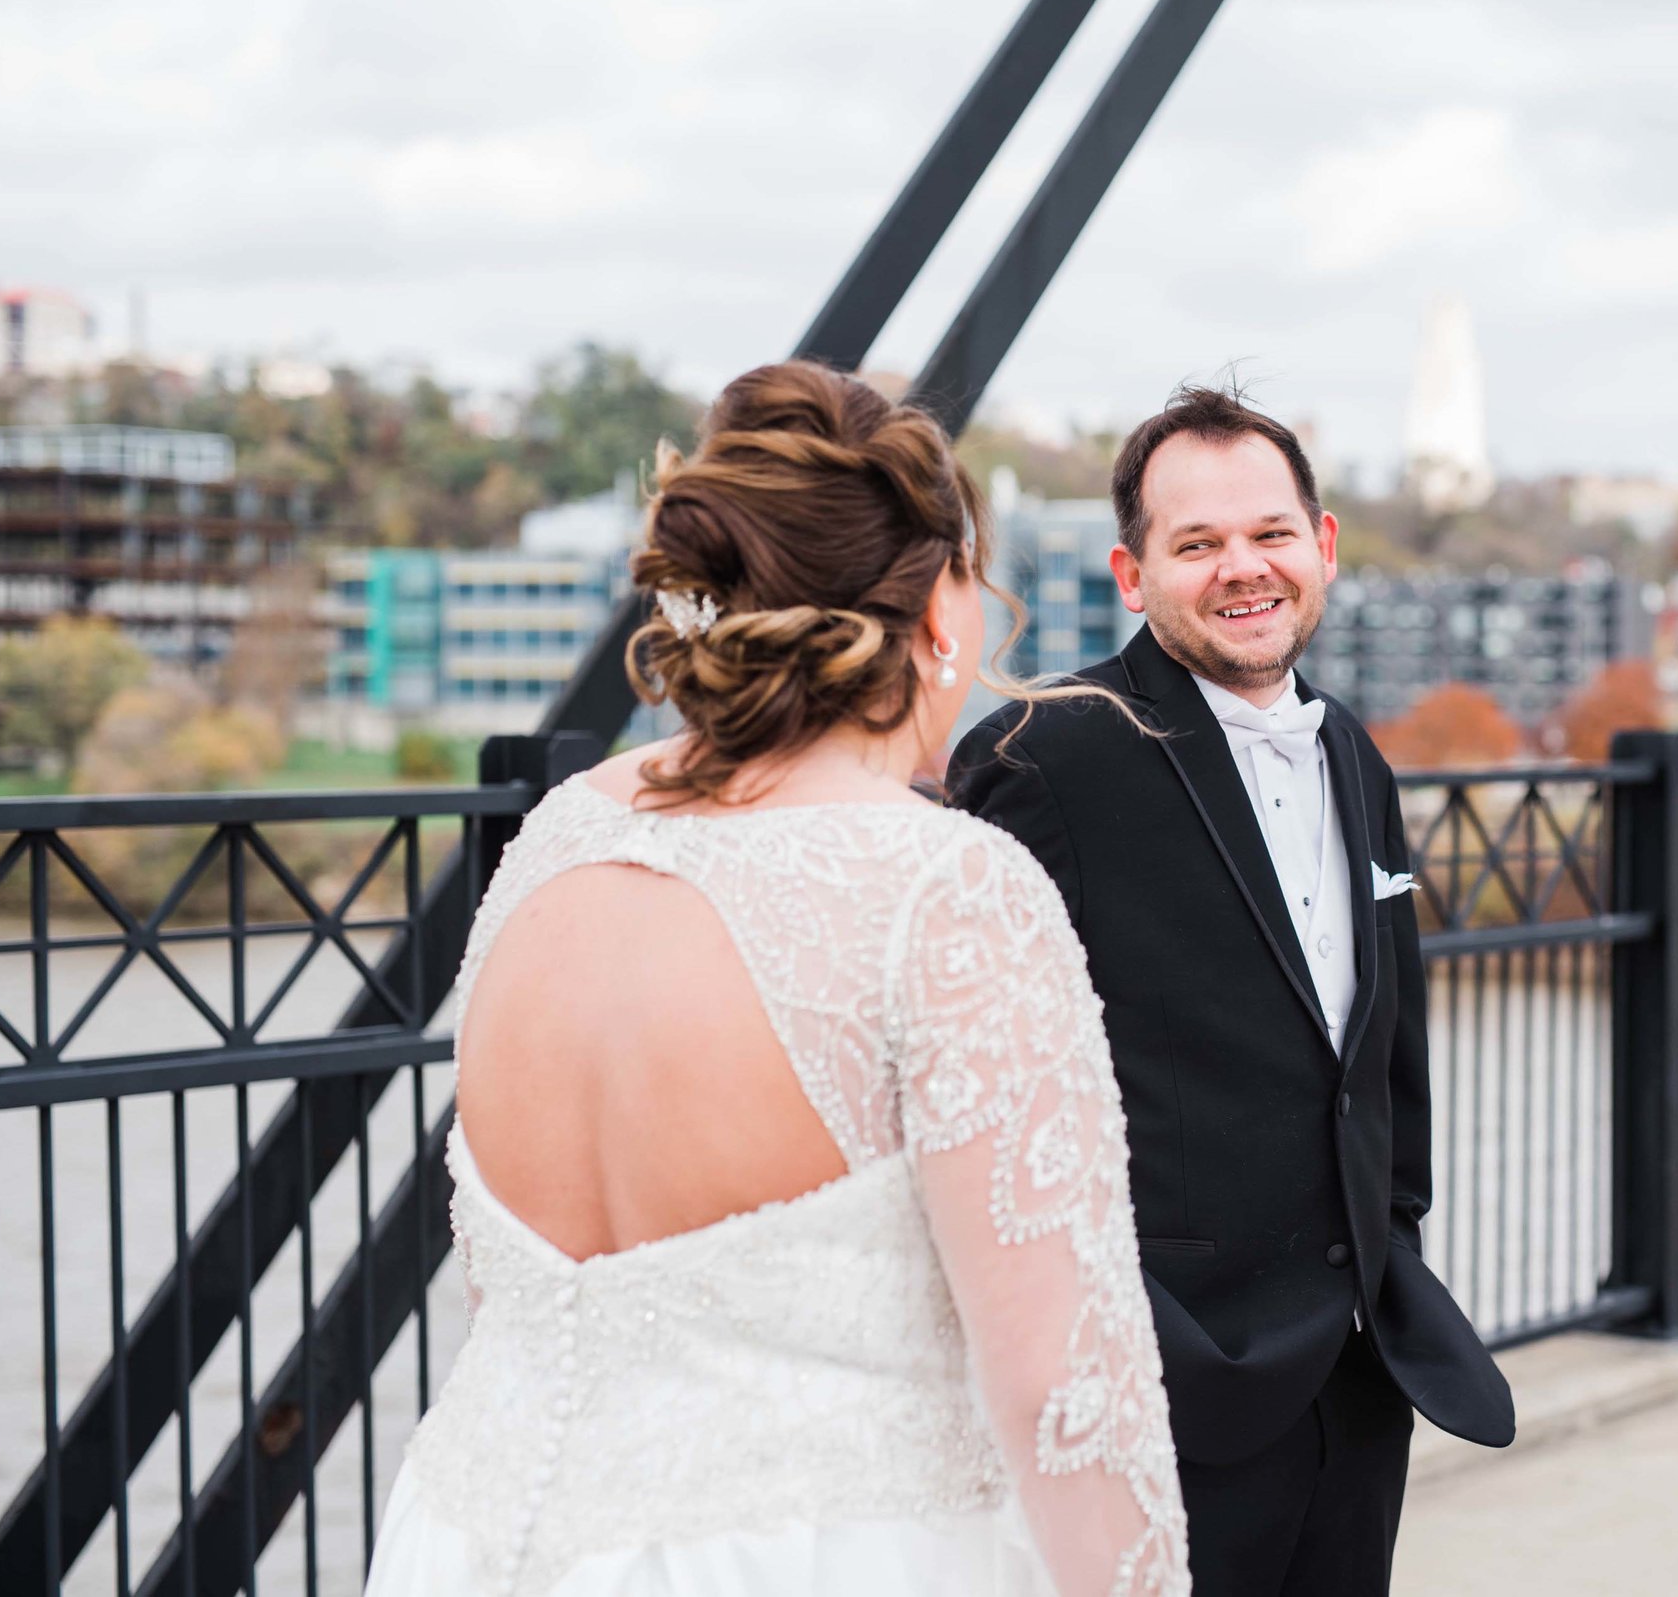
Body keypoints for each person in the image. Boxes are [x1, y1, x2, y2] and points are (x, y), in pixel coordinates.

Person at [366, 361, 1188, 1597]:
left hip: (467, 1541)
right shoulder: (946, 890)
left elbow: (499, 1288)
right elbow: (1063, 1386)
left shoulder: (557, 841)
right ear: (936, 617)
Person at [946, 386, 1515, 1597]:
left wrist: (1392, 1241)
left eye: (1268, 533)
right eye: (1195, 544)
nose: (1240, 569)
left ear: (1324, 544)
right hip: (1165, 1386)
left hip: (1358, 1376)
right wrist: (1131, 1340)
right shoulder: (1044, 757)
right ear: (1131, 573)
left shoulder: (1353, 751)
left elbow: (1379, 1047)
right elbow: (983, 1101)